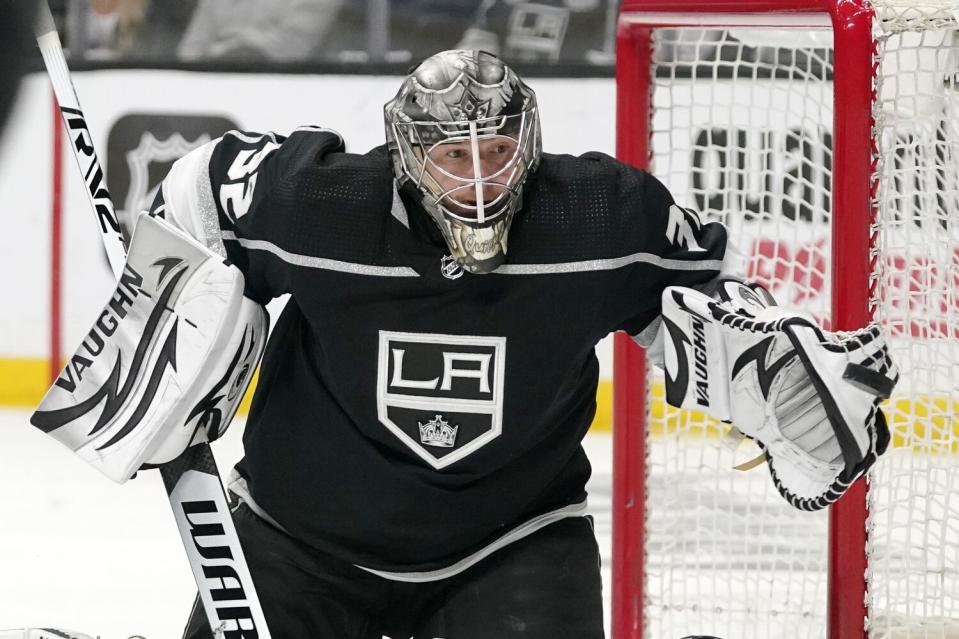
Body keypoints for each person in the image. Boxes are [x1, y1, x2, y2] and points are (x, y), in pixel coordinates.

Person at [44, 50, 893, 637]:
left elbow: (698, 294)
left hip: (512, 539)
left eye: (496, 149)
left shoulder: (598, 216)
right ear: (409, 154)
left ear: (527, 140)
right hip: (304, 537)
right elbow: (201, 189)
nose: (480, 177)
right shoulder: (323, 204)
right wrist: (159, 294)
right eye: (455, 154)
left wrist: (770, 377)